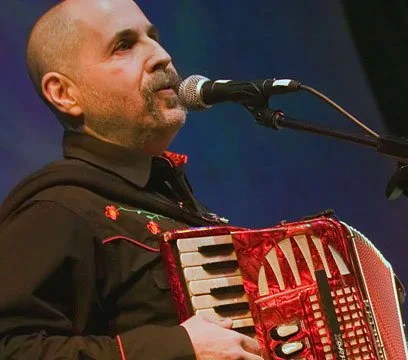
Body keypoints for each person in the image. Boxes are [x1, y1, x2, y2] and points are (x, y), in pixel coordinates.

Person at [0, 1, 261, 359]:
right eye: (124, 45)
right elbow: (11, 347)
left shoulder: (170, 201)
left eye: (153, 37)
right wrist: (177, 348)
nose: (162, 56)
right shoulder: (57, 210)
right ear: (64, 93)